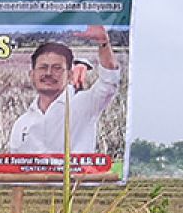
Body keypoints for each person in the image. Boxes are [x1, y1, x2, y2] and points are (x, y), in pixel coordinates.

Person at [7, 26, 121, 155]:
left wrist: (103, 43)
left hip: (74, 175)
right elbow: (14, 166)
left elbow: (109, 82)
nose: (49, 73)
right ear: (31, 75)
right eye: (43, 67)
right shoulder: (22, 123)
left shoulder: (84, 104)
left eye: (57, 68)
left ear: (70, 75)